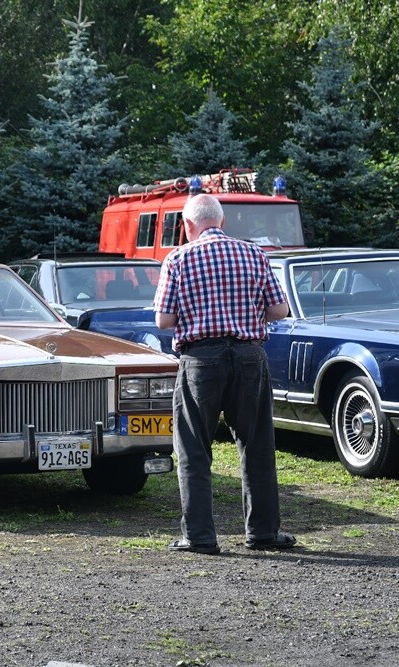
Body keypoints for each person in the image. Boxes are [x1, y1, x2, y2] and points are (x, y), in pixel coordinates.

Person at [153, 193, 295, 554]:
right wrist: (246, 317)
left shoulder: (179, 258)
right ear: (222, 221)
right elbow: (280, 309)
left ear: (187, 226)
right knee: (257, 445)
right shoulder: (253, 254)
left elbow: (164, 320)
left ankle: (199, 536)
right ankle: (263, 533)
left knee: (194, 447)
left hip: (201, 360)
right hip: (249, 357)